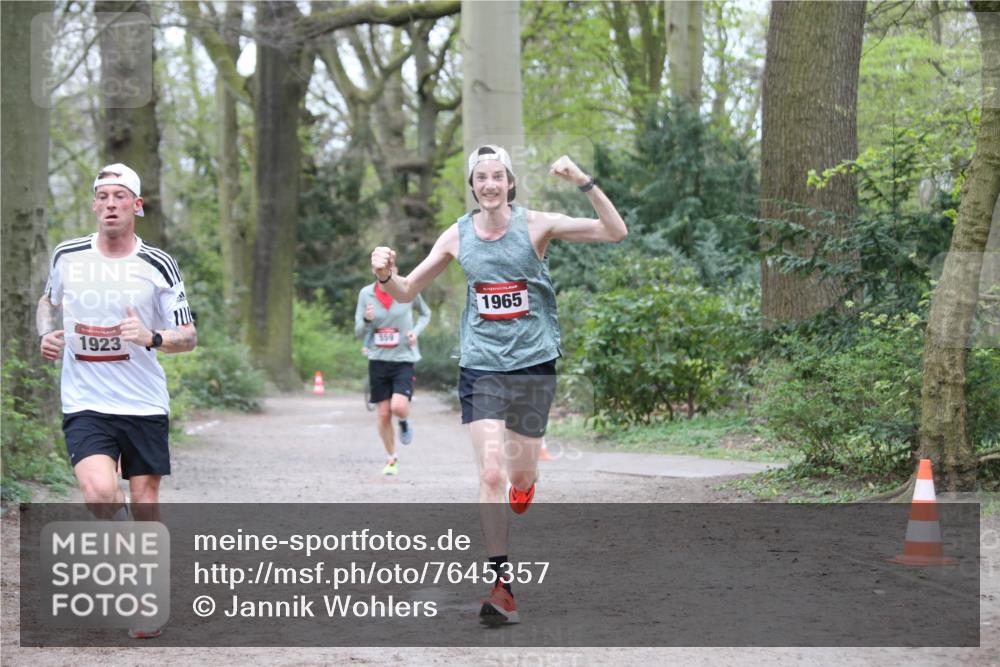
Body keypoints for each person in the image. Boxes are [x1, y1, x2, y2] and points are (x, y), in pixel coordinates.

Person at [371, 145, 627, 625]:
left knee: (520, 478)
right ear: (472, 186)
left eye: (497, 177)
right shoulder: (457, 236)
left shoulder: (537, 225)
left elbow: (616, 232)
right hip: (481, 365)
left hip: (533, 364)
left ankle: (524, 488)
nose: (489, 185)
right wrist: (385, 273)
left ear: (509, 183)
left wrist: (581, 180)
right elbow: (405, 290)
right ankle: (502, 586)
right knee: (490, 474)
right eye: (480, 177)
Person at [37, 163, 197, 638]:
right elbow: (48, 302)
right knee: (100, 494)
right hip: (85, 399)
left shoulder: (159, 264)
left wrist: (151, 337)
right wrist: (46, 334)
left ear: (136, 206)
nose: (110, 204)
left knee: (145, 502)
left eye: (119, 197)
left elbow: (187, 336)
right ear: (94, 205)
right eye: (102, 196)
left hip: (143, 402)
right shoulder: (67, 256)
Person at [354, 280, 431, 475]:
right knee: (383, 413)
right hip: (378, 360)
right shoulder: (366, 294)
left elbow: (425, 313)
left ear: (394, 271)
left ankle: (404, 420)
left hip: (403, 358)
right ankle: (391, 458)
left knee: (398, 407)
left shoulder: (408, 289)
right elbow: (358, 331)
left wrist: (415, 331)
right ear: (375, 272)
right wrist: (367, 319)